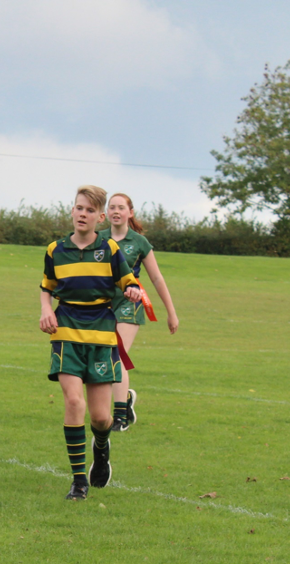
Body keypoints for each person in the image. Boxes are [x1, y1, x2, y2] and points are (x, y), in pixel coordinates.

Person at [39, 185, 142, 500]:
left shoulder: (110, 249)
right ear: (72, 211)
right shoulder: (55, 250)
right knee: (73, 403)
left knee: (100, 418)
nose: (82, 214)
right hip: (66, 332)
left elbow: (129, 281)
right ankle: (78, 481)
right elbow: (47, 286)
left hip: (101, 335)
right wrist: (46, 309)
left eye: (88, 210)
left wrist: (134, 290)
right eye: (78, 207)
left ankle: (101, 446)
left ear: (100, 217)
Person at [102, 193, 180, 431]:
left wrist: (171, 312)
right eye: (112, 207)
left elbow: (156, 277)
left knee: (118, 355)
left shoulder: (139, 242)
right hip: (103, 302)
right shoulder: (98, 238)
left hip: (130, 301)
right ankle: (125, 400)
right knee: (103, 356)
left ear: (130, 212)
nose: (116, 211)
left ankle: (119, 418)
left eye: (121, 208)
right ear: (106, 213)